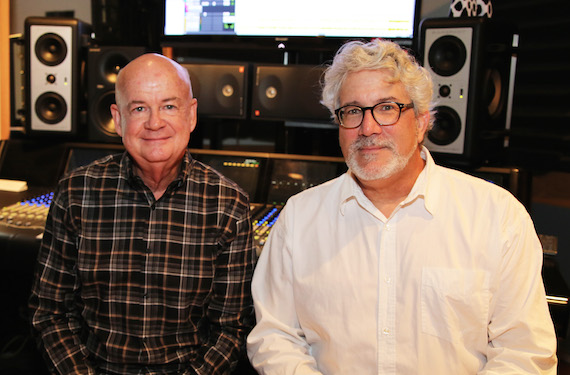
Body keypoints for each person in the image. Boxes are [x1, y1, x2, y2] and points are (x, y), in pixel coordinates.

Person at [246, 39, 558, 374]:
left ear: (422, 121)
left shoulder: (497, 216)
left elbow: (524, 353)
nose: (368, 128)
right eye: (352, 111)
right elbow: (275, 335)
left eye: (386, 108)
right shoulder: (300, 217)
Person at [29, 53, 256, 375]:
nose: (154, 123)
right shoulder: (76, 193)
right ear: (118, 119)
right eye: (139, 108)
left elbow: (230, 330)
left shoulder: (228, 204)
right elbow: (49, 314)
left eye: (168, 106)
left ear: (191, 115)